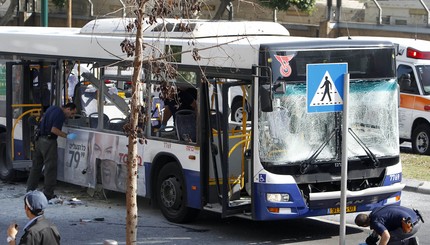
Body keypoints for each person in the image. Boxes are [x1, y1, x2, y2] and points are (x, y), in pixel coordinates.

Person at [27, 103, 78, 200]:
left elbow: (42, 120)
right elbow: (54, 130)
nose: (71, 116)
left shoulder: (52, 108)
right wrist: (67, 136)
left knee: (36, 167)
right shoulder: (60, 115)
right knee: (50, 169)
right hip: (48, 142)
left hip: (39, 140)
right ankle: (48, 194)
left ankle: (30, 190)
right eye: (71, 113)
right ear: (67, 109)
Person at [355, 205, 424, 245]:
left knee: (388, 241)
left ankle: (410, 242)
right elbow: (380, 226)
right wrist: (372, 239)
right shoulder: (375, 212)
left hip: (411, 226)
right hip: (416, 217)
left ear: (364, 225)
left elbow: (386, 236)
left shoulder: (375, 222)